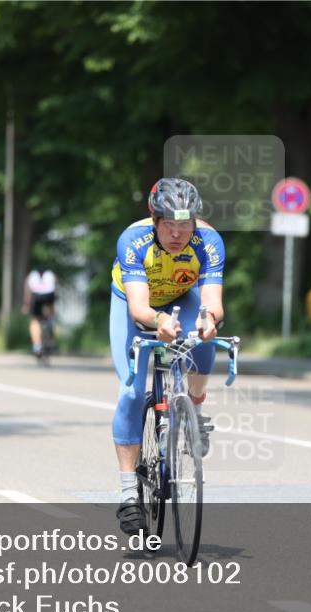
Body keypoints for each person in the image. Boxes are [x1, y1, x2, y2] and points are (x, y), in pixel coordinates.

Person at [110, 178, 225, 535]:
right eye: (170, 225)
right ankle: (129, 493)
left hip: (182, 298)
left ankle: (196, 411)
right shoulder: (133, 240)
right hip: (135, 304)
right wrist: (158, 322)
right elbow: (139, 308)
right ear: (155, 221)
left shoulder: (209, 242)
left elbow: (213, 303)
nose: (178, 233)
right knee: (131, 390)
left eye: (185, 225)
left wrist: (209, 320)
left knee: (203, 340)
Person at [22, 266, 56, 357]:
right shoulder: (51, 274)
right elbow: (55, 289)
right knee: (51, 314)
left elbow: (27, 291)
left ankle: (37, 346)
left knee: (35, 320)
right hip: (49, 295)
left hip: (36, 296)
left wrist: (26, 305)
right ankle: (50, 325)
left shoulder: (31, 275)